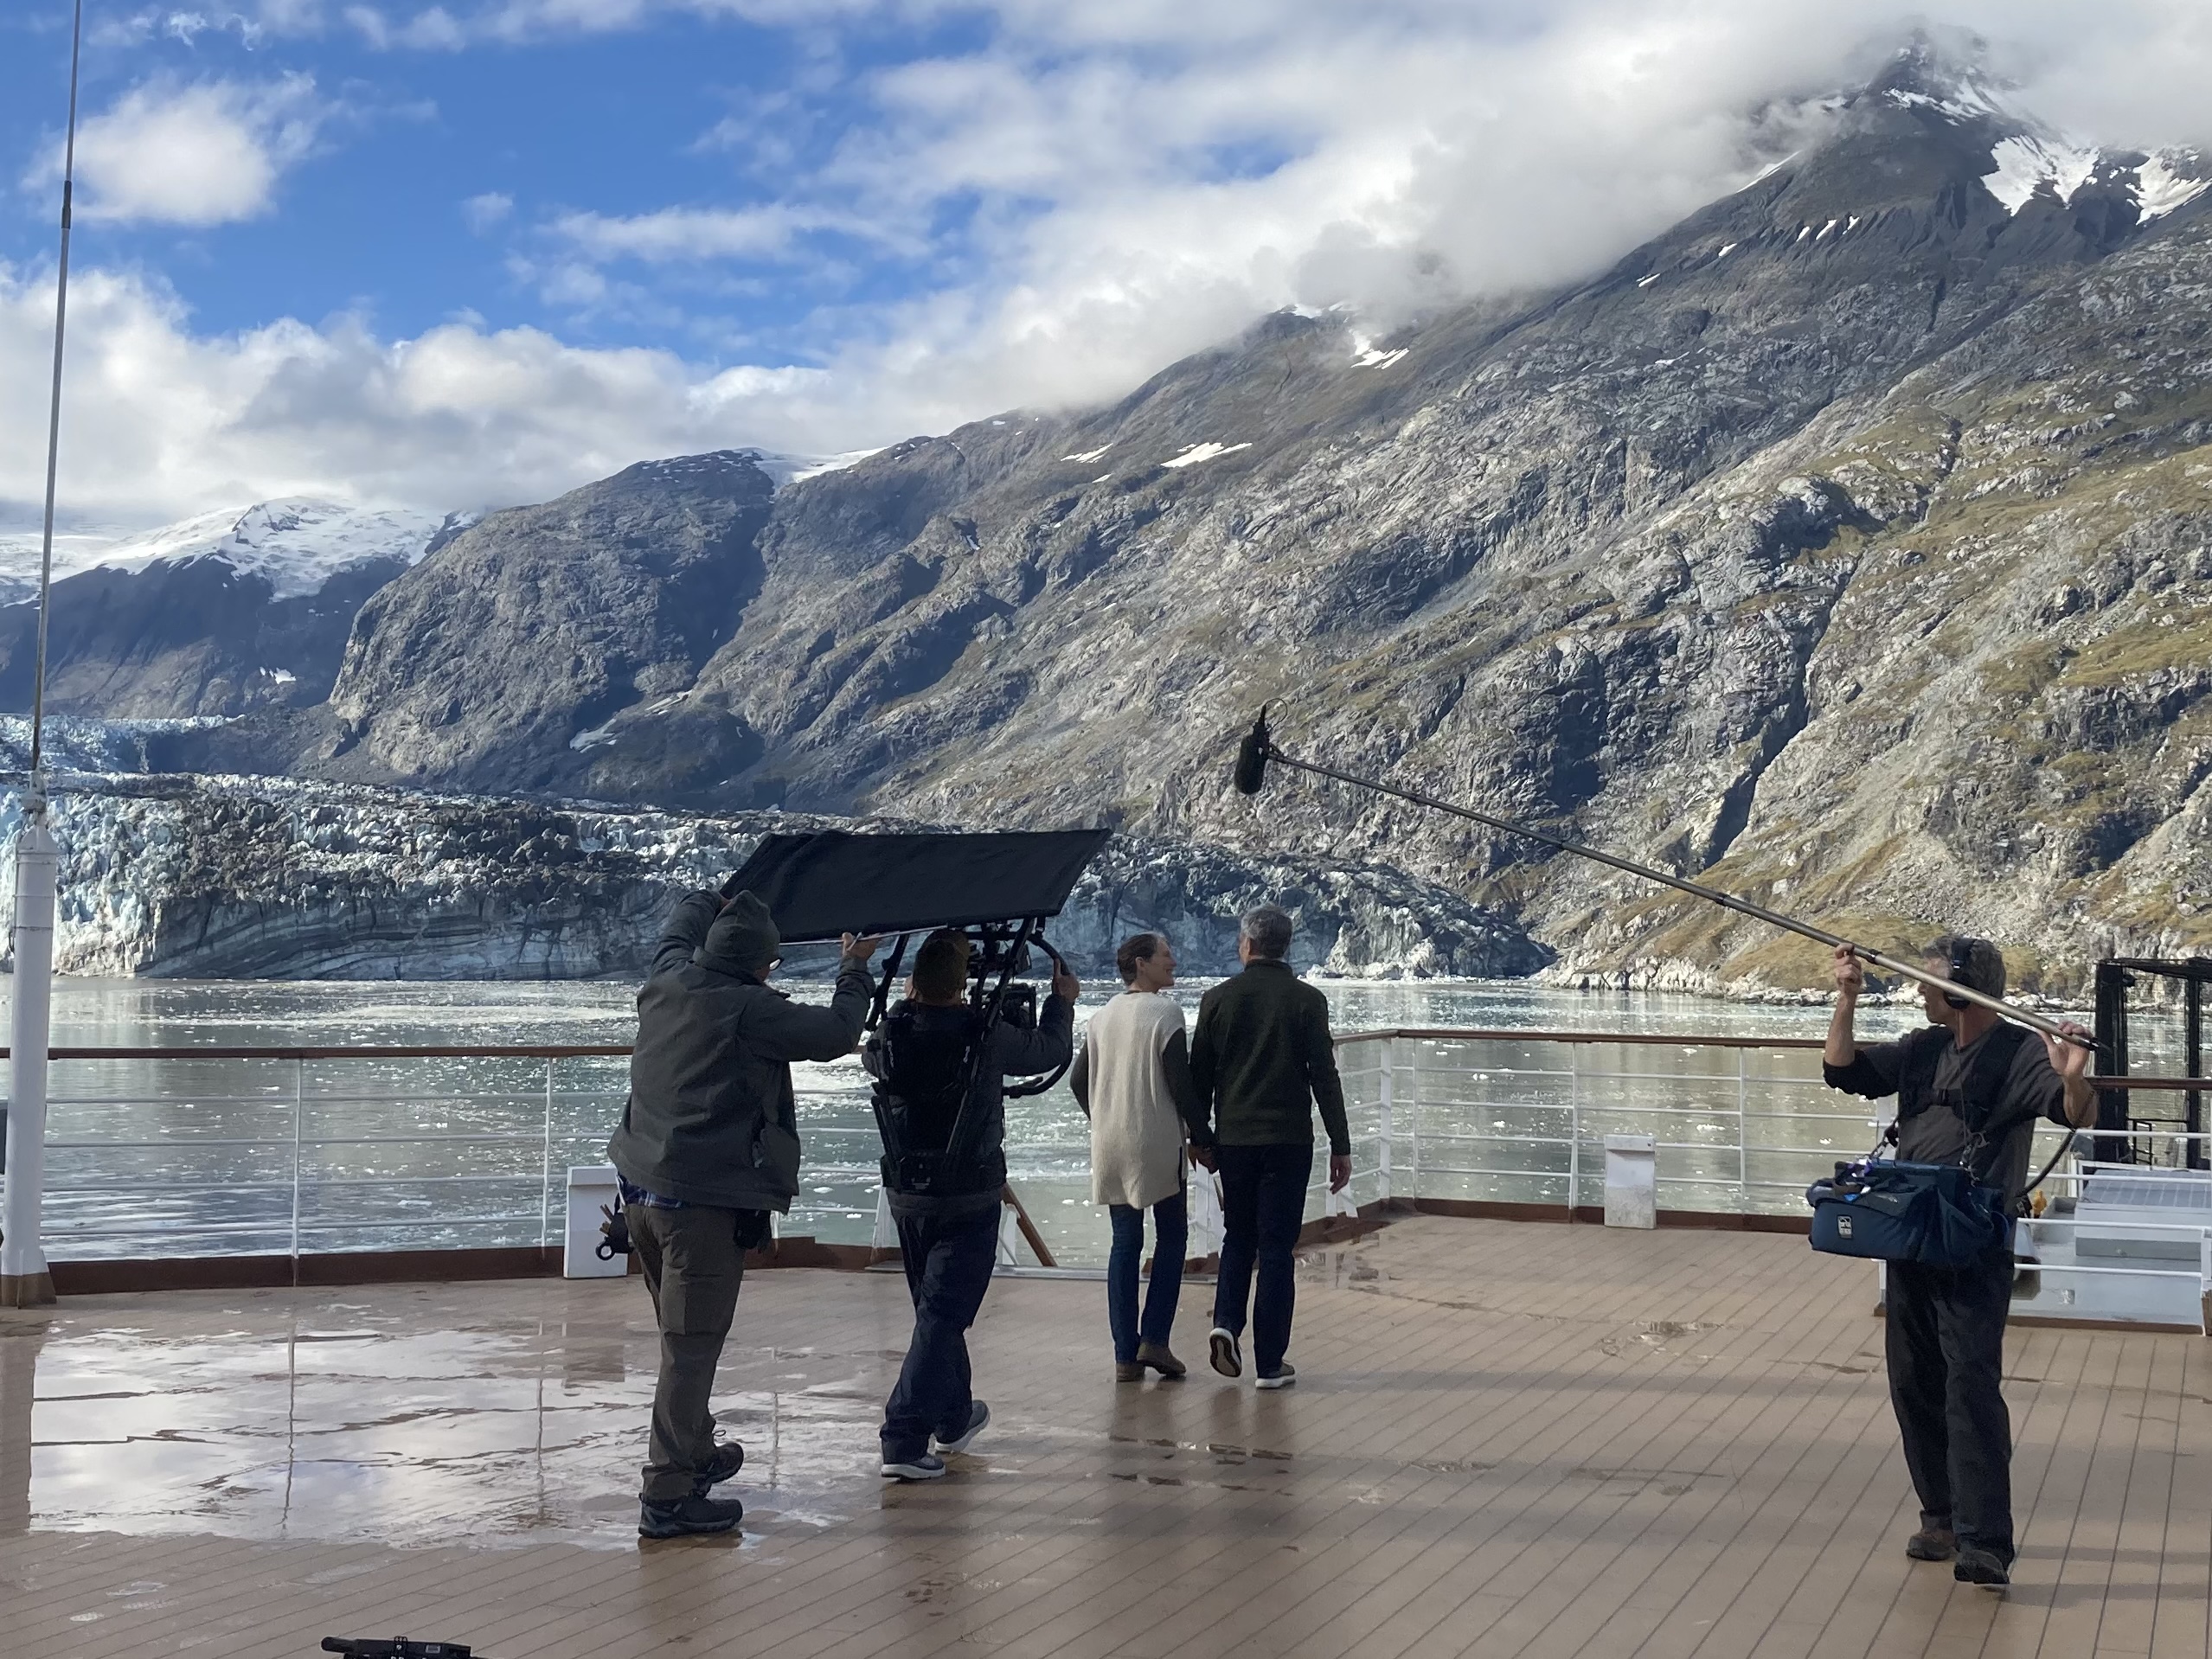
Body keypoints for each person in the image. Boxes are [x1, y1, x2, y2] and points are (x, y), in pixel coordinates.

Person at [607, 887, 881, 1538]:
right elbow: (838, 1032)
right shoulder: (751, 1009)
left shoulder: (669, 976)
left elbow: (676, 926)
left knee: (682, 1339)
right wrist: (855, 970)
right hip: (699, 1210)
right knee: (690, 1350)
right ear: (763, 965)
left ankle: (695, 1452)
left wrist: (713, 895)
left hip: (641, 1193)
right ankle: (668, 1497)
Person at [1823, 937, 2095, 1588]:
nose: (1917, 991)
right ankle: (1938, 1516)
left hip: (1973, 1246)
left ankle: (1985, 1543)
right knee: (1912, 1380)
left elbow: (2073, 1112)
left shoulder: (2022, 1054)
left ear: (1960, 989)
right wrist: (1845, 997)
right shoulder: (1920, 1048)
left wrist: (2072, 1072)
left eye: (1927, 981)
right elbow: (1842, 1069)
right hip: (1912, 1239)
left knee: (1968, 1386)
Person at [869, 928, 1078, 1480]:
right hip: (969, 1192)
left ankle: (954, 1416)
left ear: (913, 982)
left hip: (908, 1193)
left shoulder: (892, 1031)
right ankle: (904, 1437)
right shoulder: (985, 1036)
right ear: (962, 985)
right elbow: (1050, 1052)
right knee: (943, 1314)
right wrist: (1061, 1004)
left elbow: (875, 1059)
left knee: (936, 1310)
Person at [1189, 905, 1350, 1390]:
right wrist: (1340, 1145)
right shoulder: (1307, 1000)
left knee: (1237, 1236)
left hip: (1234, 1139)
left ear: (1246, 945)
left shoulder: (1217, 999)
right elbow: (1324, 1075)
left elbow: (1199, 1075)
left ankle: (1225, 1323)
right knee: (1277, 1247)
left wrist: (1200, 1137)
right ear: (1287, 945)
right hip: (1288, 1140)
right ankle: (1271, 1363)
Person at [1071, 932, 1213, 1382]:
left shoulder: (1101, 1017)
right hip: (1156, 1142)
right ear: (1141, 963)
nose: (1173, 961)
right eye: (1166, 954)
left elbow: (1078, 1080)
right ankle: (1155, 1338)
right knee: (1171, 1236)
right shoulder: (1165, 1013)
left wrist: (1105, 1115)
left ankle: (1124, 1357)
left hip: (1110, 1142)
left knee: (1124, 1243)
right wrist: (1205, 1137)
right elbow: (1181, 1085)